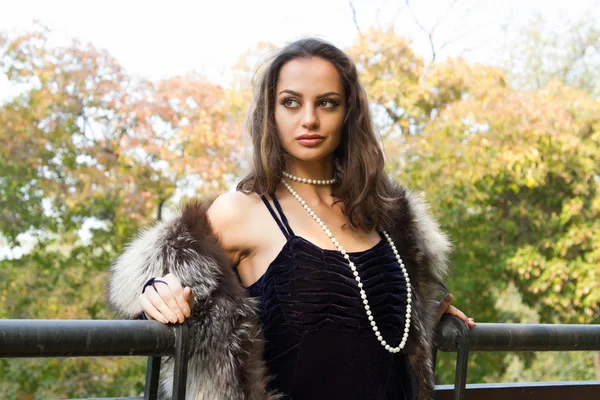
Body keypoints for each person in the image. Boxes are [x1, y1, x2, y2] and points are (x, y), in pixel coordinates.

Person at [107, 38, 475, 400]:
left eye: (327, 103)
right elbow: (166, 288)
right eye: (291, 102)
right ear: (271, 112)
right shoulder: (241, 210)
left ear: (349, 113)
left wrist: (425, 313)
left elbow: (380, 336)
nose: (309, 119)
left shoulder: (385, 213)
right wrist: (156, 293)